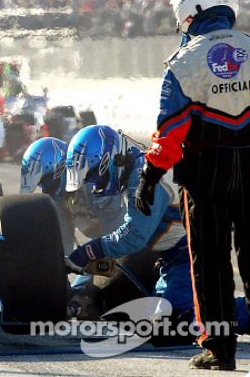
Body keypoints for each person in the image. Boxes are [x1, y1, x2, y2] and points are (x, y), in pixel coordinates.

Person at [135, 0, 250, 370]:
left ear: (188, 10)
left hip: (205, 173)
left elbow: (169, 133)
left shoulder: (182, 62)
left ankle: (220, 352)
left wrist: (149, 175)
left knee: (210, 260)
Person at [64, 125, 196, 332]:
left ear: (110, 160)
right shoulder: (137, 170)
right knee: (147, 323)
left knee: (175, 328)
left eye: (94, 176)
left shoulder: (146, 177)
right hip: (173, 258)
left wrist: (84, 253)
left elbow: (133, 236)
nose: (95, 184)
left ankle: (243, 313)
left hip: (193, 256)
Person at [20, 136, 125, 255]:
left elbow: (118, 239)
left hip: (130, 244)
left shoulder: (94, 187)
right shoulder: (56, 196)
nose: (45, 189)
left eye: (46, 181)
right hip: (105, 243)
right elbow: (63, 242)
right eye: (41, 184)